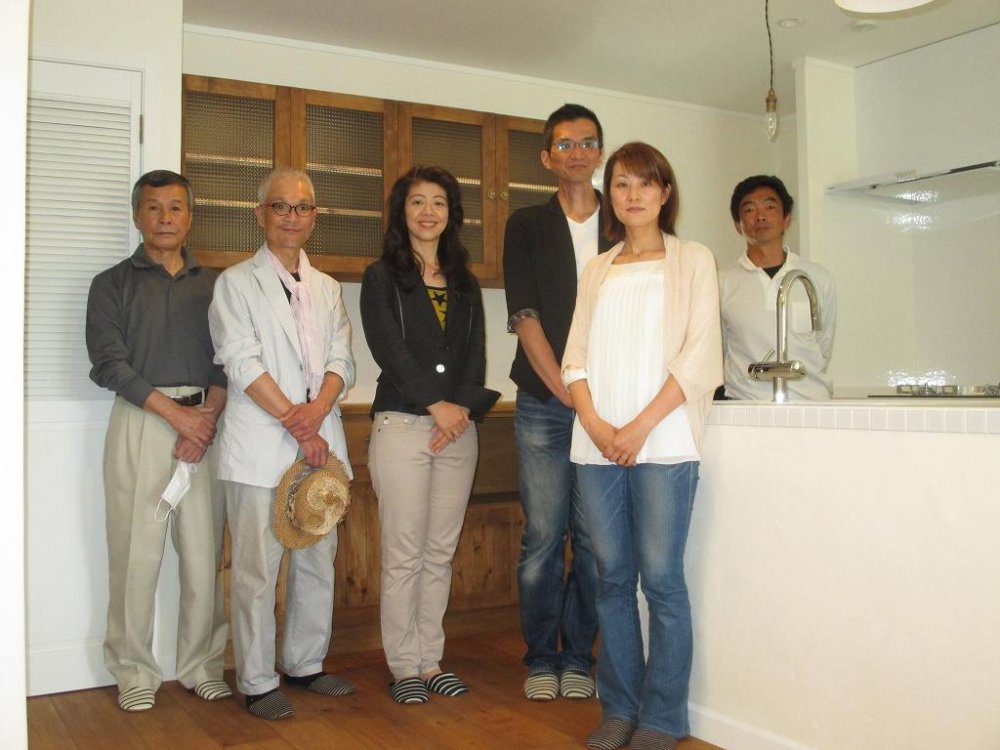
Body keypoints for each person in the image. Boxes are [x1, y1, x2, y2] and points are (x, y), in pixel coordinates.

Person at [561, 142, 722, 750]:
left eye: (645, 183)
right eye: (622, 184)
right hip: (596, 445)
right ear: (612, 195)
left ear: (665, 193)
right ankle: (620, 710)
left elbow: (700, 356)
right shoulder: (597, 268)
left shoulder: (693, 259)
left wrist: (637, 428)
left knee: (661, 582)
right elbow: (574, 358)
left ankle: (662, 718)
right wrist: (598, 425)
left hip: (665, 442)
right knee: (609, 580)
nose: (633, 195)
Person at [208, 167, 356, 720]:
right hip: (261, 445)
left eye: (303, 207)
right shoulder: (235, 283)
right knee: (256, 570)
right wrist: (299, 423)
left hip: (320, 442)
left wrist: (315, 418)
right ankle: (256, 680)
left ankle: (305, 663)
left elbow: (342, 360)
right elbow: (241, 361)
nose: (292, 217)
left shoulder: (328, 288)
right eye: (280, 206)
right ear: (260, 214)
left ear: (314, 217)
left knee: (318, 559)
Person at [85, 169, 230, 713]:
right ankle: (133, 670)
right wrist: (176, 417)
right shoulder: (112, 284)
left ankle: (201, 665)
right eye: (153, 207)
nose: (164, 218)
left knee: (202, 554)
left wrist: (204, 419)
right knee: (134, 554)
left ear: (190, 216)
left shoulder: (216, 286)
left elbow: (229, 361)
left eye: (175, 207)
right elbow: (108, 364)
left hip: (206, 424)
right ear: (137, 215)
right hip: (142, 422)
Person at [360, 166, 500, 705]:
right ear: (402, 212)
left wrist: (458, 409)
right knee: (404, 553)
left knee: (439, 552)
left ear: (451, 214)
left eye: (438, 202)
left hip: (458, 429)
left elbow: (477, 355)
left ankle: (430, 660)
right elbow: (388, 350)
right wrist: (435, 405)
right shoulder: (381, 277)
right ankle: (404, 668)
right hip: (402, 423)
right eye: (417, 201)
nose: (427, 212)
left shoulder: (464, 281)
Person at [502, 103, 611, 702]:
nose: (577, 152)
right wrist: (569, 393)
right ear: (547, 157)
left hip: (609, 405)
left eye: (587, 142)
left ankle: (578, 657)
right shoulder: (526, 224)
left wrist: (595, 400)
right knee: (544, 537)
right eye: (565, 144)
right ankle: (542, 657)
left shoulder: (622, 221)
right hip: (545, 403)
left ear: (600, 153)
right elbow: (525, 317)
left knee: (594, 541)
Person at [719, 175, 837, 400]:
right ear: (738, 225)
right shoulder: (722, 283)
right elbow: (721, 348)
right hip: (746, 405)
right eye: (750, 210)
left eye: (770, 207)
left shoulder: (818, 279)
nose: (760, 216)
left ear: (786, 219)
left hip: (810, 403)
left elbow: (823, 346)